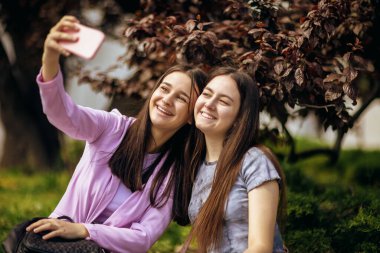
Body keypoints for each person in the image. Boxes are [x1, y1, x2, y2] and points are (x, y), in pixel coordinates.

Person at [24, 16, 207, 253]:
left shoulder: (174, 174)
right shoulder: (113, 128)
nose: (167, 100)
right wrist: (50, 56)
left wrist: (85, 230)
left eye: (181, 98)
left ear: (191, 116)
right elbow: (63, 114)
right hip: (55, 246)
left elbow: (143, 237)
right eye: (164, 89)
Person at [184, 67, 287, 253]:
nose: (209, 104)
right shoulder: (197, 165)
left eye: (223, 101)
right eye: (207, 94)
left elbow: (261, 247)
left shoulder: (253, 161)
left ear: (240, 118)